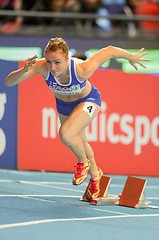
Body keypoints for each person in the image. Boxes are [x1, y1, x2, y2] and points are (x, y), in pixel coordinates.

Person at [4, 37, 150, 200]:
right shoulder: (42, 67)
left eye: (58, 62)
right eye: (49, 61)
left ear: (67, 58)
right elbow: (9, 82)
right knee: (80, 141)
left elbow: (108, 51)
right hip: (64, 105)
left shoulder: (82, 69)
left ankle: (83, 163)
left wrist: (130, 56)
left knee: (66, 134)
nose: (53, 67)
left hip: (88, 101)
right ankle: (95, 176)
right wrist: (23, 70)